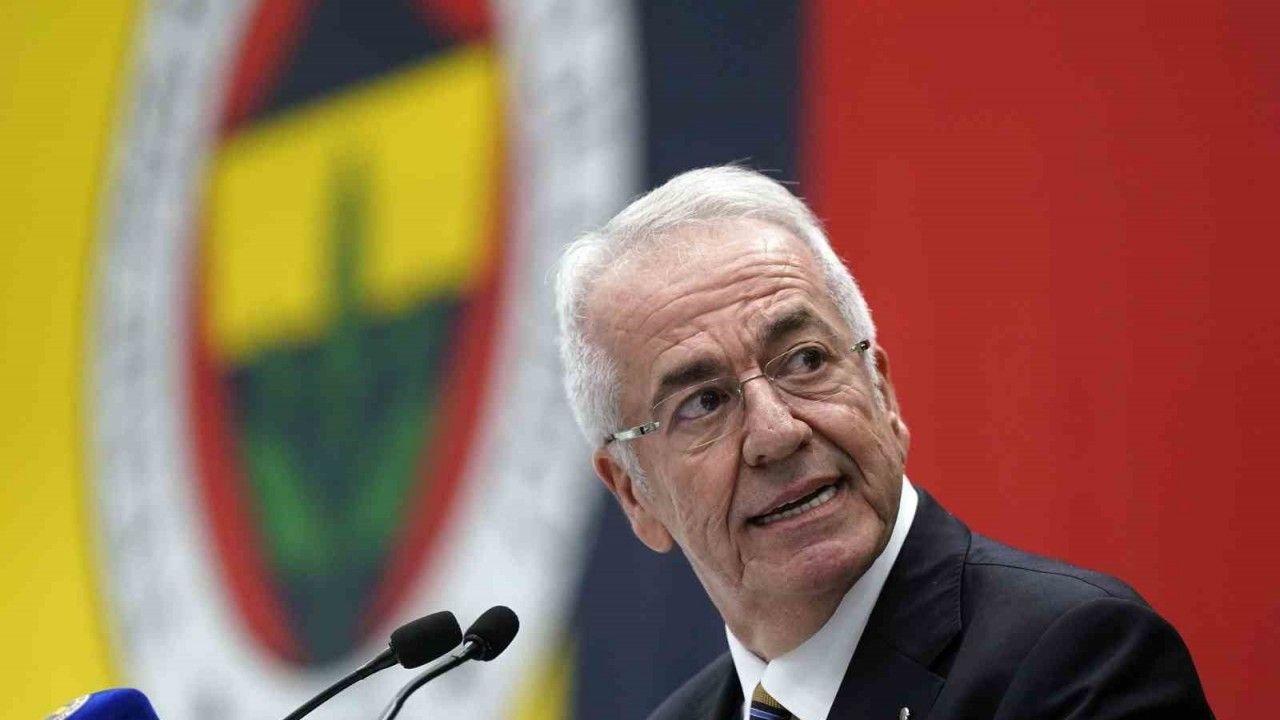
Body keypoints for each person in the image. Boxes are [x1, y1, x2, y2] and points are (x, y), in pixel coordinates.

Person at [554, 166, 1212, 719]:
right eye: (703, 403)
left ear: (884, 395)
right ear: (634, 494)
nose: (777, 433)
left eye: (806, 360)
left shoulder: (1077, 663)